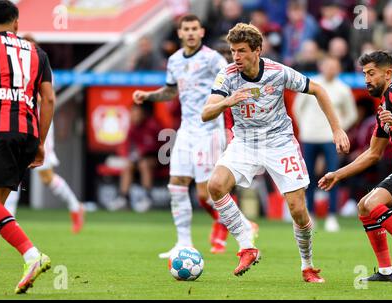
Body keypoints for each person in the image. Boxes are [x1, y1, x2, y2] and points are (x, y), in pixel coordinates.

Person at [202, 23, 350, 281]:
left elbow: (318, 89)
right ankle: (247, 245)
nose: (236, 57)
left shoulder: (277, 72)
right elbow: (206, 113)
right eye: (233, 51)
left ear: (258, 50)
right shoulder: (226, 75)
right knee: (215, 186)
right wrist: (228, 100)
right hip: (246, 142)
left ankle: (307, 265)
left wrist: (336, 129)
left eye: (242, 51)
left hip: (280, 143)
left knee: (297, 209)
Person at [132, 14, 255, 256]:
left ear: (201, 32)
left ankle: (241, 224)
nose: (189, 32)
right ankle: (184, 243)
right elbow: (170, 92)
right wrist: (148, 96)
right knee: (176, 184)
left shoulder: (212, 59)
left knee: (204, 192)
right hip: (186, 130)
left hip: (209, 130)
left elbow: (234, 82)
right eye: (185, 29)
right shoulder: (175, 60)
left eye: (194, 28)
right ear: (179, 33)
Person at [319, 51, 392, 284]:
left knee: (373, 203)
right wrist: (337, 174)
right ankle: (386, 271)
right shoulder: (384, 107)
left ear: (388, 73)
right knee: (364, 207)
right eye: (364, 74)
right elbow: (373, 154)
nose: (367, 79)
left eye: (371, 73)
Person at [0, 0, 54, 293]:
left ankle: (32, 255)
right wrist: (40, 143)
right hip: (27, 133)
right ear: (16, 22)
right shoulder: (37, 52)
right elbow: (49, 100)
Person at [4, 34, 85, 234]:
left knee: (46, 175)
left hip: (40, 125)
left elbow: (47, 98)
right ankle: (9, 218)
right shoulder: (16, 66)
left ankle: (76, 206)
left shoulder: (41, 64)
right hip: (20, 122)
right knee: (13, 169)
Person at [293, 56, 357, 232]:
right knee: (309, 178)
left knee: (334, 176)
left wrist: (339, 129)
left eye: (334, 66)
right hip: (309, 137)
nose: (330, 69)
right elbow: (297, 109)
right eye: (327, 65)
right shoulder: (310, 83)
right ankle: (310, 215)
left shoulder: (343, 89)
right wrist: (305, 127)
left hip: (331, 139)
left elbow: (351, 114)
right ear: (321, 67)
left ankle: (332, 216)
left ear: (338, 69)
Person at [107, 102, 162, 212]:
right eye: (131, 112)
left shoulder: (153, 125)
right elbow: (126, 147)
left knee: (144, 163)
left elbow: (152, 149)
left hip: (159, 160)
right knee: (128, 166)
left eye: (135, 112)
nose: (132, 115)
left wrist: (138, 155)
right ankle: (123, 198)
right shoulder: (132, 128)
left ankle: (147, 198)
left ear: (143, 113)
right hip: (138, 160)